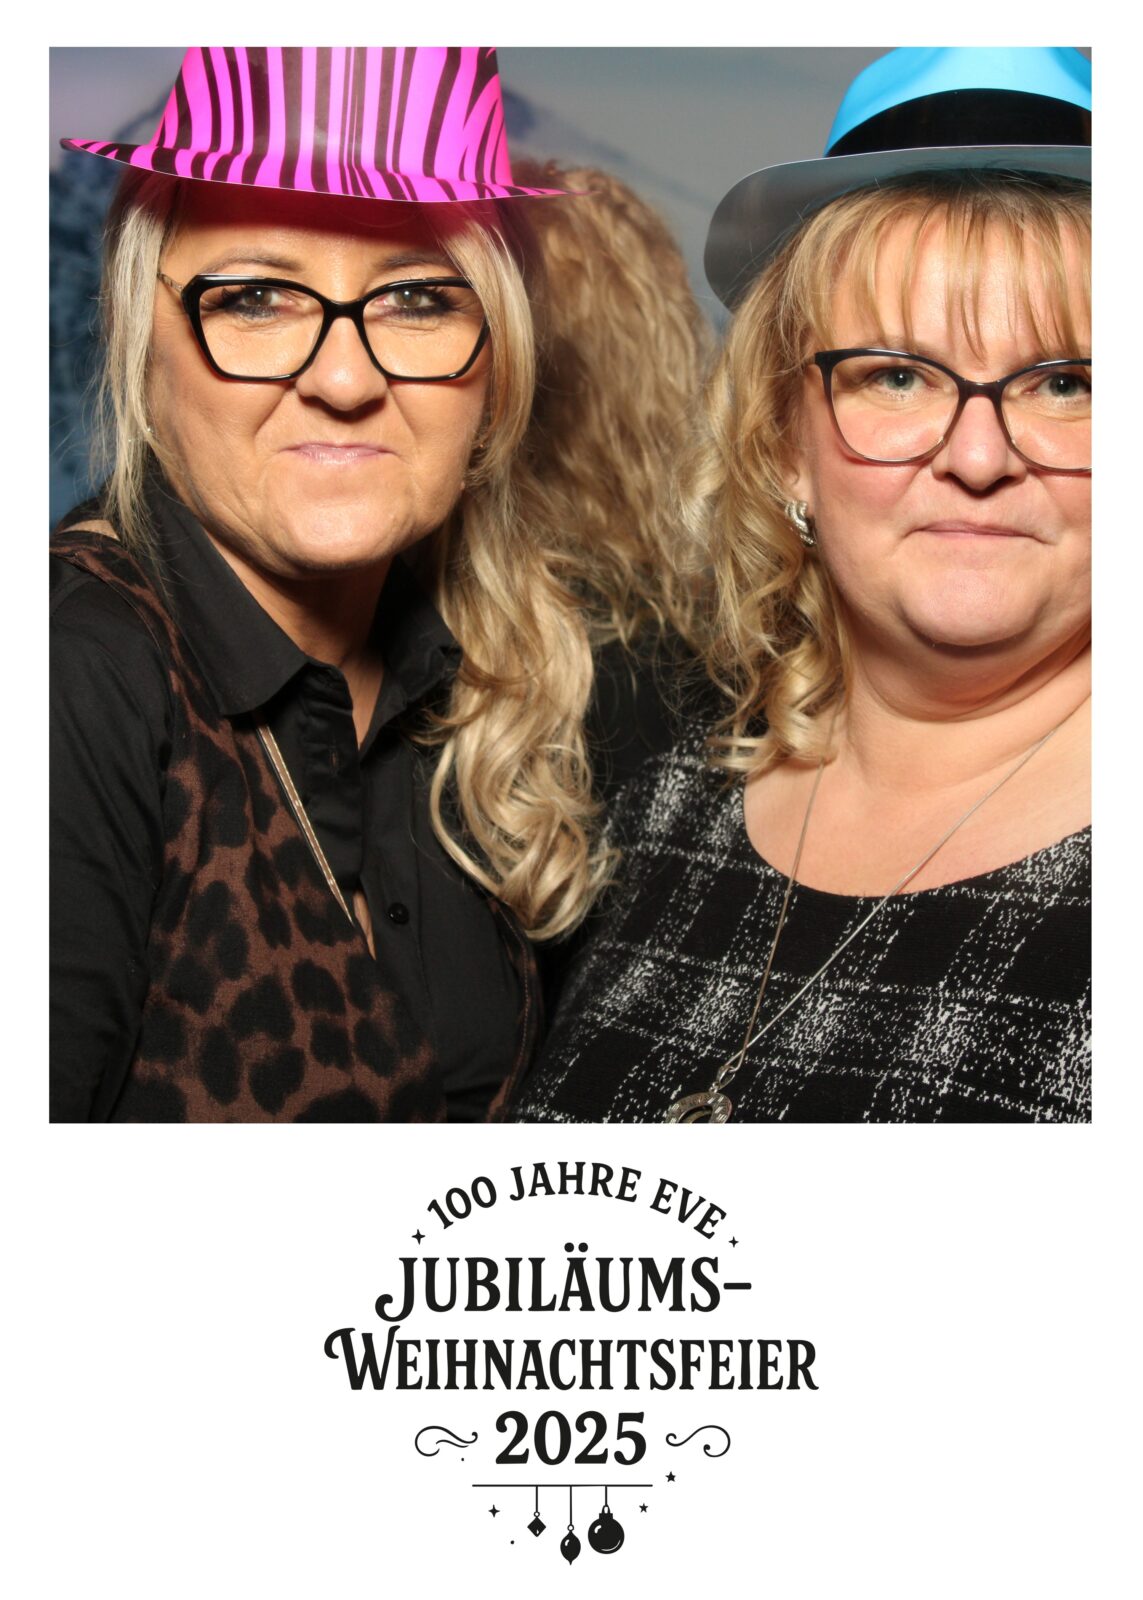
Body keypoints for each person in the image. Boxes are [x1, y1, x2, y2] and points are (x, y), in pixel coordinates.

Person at [510, 47, 1092, 1124]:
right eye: (896, 375)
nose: (977, 456)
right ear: (784, 443)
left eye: (1066, 383)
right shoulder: (656, 814)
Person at [50, 47, 612, 1122]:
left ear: (495, 361)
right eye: (256, 297)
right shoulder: (71, 676)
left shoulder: (480, 680)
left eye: (417, 299)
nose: (346, 378)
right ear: (138, 337)